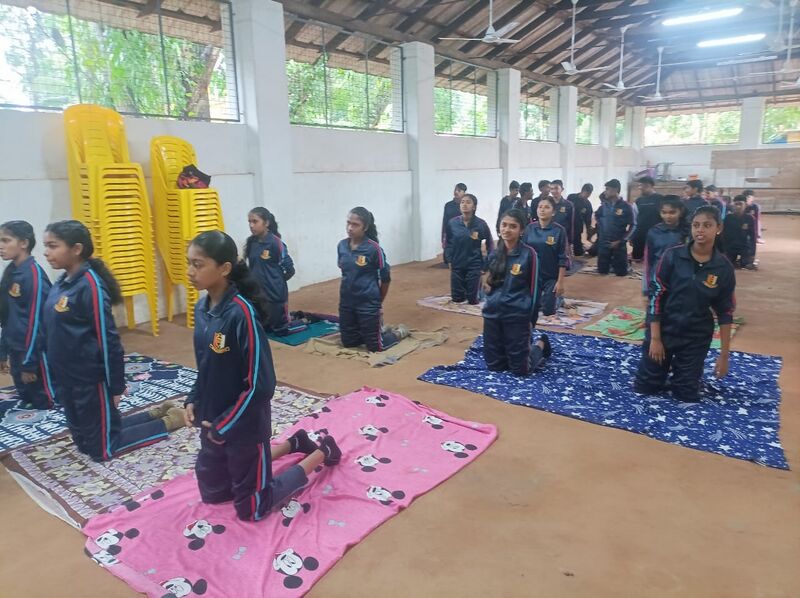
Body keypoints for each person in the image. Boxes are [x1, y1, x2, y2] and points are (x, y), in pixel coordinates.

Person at [184, 230, 341, 521]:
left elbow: (261, 385)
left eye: (198, 264)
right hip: (213, 422)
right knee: (215, 493)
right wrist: (193, 399)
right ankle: (293, 443)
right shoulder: (202, 309)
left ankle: (321, 452)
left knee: (252, 508)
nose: (190, 272)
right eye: (189, 263)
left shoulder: (241, 314)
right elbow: (205, 366)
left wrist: (225, 425)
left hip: (242, 427)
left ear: (224, 268)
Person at [41, 220, 185, 462]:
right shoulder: (61, 283)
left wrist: (115, 386)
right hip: (67, 378)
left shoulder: (91, 287)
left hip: (89, 379)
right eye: (46, 246)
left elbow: (109, 341)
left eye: (53, 246)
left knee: (102, 449)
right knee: (83, 442)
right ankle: (153, 414)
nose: (46, 252)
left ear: (76, 249)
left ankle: (170, 421)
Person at [634, 206, 735, 403]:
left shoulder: (723, 267)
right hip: (664, 330)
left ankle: (684, 370)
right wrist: (655, 339)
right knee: (645, 387)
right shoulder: (672, 256)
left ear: (718, 228)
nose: (700, 230)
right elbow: (656, 297)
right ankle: (664, 367)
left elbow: (726, 311)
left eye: (707, 225)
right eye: (696, 225)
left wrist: (724, 355)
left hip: (695, 336)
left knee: (686, 393)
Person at [482, 209, 551, 376]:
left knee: (520, 371)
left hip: (517, 316)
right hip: (493, 316)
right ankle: (510, 349)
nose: (507, 229)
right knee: (495, 367)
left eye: (513, 226)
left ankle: (541, 344)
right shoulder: (494, 254)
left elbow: (535, 291)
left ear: (521, 230)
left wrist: (531, 321)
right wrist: (489, 300)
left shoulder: (529, 254)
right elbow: (488, 284)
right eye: (504, 225)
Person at [0, 221, 55, 410]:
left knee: (45, 400)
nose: (1, 246)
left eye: (6, 240)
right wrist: (3, 350)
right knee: (25, 395)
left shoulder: (34, 276)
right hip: (16, 346)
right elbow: (7, 316)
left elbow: (37, 322)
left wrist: (29, 363)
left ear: (23, 243)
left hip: (34, 350)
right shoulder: (11, 272)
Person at [338, 207, 405, 352]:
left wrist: (377, 301)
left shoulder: (374, 249)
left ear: (365, 227)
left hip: (368, 303)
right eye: (348, 223)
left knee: (375, 347)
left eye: (355, 225)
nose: (350, 228)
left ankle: (397, 333)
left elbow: (386, 278)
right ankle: (375, 330)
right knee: (349, 343)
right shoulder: (342, 246)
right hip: (347, 303)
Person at [244, 208, 295, 336]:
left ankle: (301, 321)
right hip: (258, 295)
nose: (251, 225)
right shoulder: (251, 243)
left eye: (255, 221)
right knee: (263, 330)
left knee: (281, 331)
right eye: (249, 222)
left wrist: (276, 282)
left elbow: (290, 269)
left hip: (275, 295)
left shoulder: (275, 243)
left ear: (266, 223)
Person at [445, 193, 494, 305]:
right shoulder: (453, 223)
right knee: (457, 299)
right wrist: (449, 259)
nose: (464, 205)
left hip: (474, 265)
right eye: (462, 202)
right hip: (457, 264)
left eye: (468, 202)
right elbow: (448, 242)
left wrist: (486, 265)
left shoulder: (481, 224)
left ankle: (481, 290)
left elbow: (490, 245)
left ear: (474, 207)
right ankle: (471, 289)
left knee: (473, 300)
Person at [523, 197, 568, 317]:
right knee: (528, 307)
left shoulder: (559, 231)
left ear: (553, 212)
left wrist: (560, 282)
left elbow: (563, 258)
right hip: (532, 276)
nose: (542, 210)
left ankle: (558, 300)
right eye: (540, 207)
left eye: (547, 207)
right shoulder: (530, 228)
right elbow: (523, 252)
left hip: (551, 277)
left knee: (548, 311)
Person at [642, 195, 688, 293]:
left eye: (672, 212)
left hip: (682, 277)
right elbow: (648, 260)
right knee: (658, 305)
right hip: (659, 276)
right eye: (664, 212)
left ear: (681, 211)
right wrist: (646, 286)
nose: (667, 216)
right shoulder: (654, 232)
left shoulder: (689, 231)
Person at [595, 179, 634, 276]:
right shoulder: (604, 205)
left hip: (618, 242)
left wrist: (621, 241)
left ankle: (626, 264)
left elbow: (633, 225)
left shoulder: (626, 206)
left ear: (615, 189)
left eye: (607, 189)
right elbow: (597, 215)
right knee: (602, 271)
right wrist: (601, 225)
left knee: (621, 273)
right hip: (604, 241)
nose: (605, 192)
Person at [631, 176, 663, 261]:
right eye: (640, 186)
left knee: (654, 258)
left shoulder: (660, 199)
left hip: (656, 234)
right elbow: (634, 219)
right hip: (640, 234)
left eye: (643, 186)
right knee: (637, 258)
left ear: (650, 186)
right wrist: (633, 236)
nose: (640, 188)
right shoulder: (638, 201)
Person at [722, 196, 757, 270]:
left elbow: (753, 237)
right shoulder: (728, 218)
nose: (738, 206)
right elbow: (723, 235)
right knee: (726, 264)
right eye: (736, 204)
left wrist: (752, 254)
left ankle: (743, 261)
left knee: (745, 265)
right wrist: (723, 251)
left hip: (744, 247)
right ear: (733, 205)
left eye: (740, 204)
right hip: (731, 247)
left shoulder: (750, 218)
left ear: (745, 205)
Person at [442, 183, 467, 263]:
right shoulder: (448, 205)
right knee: (447, 260)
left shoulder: (466, 205)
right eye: (455, 190)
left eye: (459, 190)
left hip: (462, 233)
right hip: (450, 234)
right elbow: (445, 221)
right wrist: (444, 236)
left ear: (464, 193)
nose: (456, 192)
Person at [567, 183, 594, 257]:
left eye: (589, 194)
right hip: (567, 226)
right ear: (582, 191)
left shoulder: (588, 204)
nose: (587, 196)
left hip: (577, 228)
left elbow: (588, 220)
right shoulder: (571, 197)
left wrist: (589, 232)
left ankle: (582, 247)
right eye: (587, 193)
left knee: (578, 252)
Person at [550, 180, 575, 248]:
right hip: (549, 234)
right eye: (552, 189)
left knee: (562, 255)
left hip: (563, 236)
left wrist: (570, 241)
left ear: (562, 189)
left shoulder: (568, 205)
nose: (554, 191)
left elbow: (571, 223)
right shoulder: (547, 203)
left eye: (556, 188)